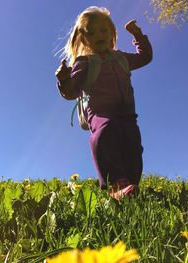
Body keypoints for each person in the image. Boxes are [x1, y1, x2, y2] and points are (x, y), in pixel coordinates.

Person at [55, 6, 152, 199]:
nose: (98, 34)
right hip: (99, 113)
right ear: (84, 39)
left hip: (127, 113)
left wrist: (138, 34)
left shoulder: (121, 58)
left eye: (103, 29)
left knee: (133, 144)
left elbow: (145, 57)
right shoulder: (84, 63)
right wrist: (64, 80)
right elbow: (71, 92)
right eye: (91, 32)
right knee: (105, 133)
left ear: (111, 34)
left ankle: (130, 184)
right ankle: (115, 184)